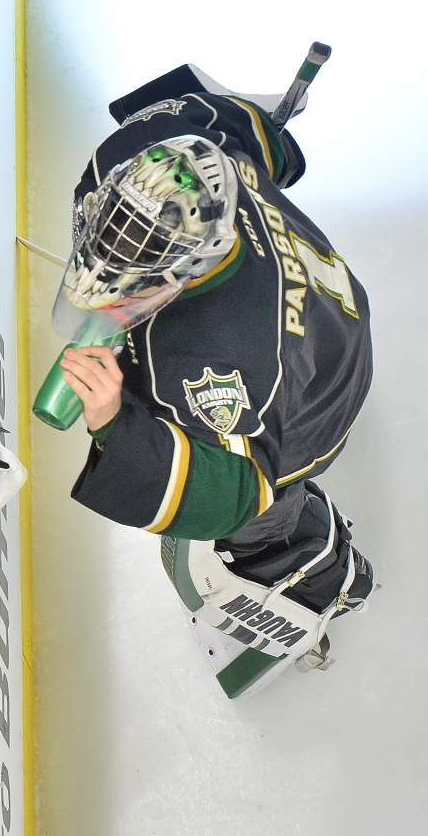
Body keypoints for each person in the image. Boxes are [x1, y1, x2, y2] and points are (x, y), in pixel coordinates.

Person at [52, 72, 375, 696]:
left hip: (321, 379)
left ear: (191, 268)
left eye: (132, 285)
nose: (106, 293)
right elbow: (240, 120)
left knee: (262, 509)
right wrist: (279, 150)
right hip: (328, 302)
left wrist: (114, 422)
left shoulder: (220, 366)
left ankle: (315, 573)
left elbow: (235, 488)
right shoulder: (170, 149)